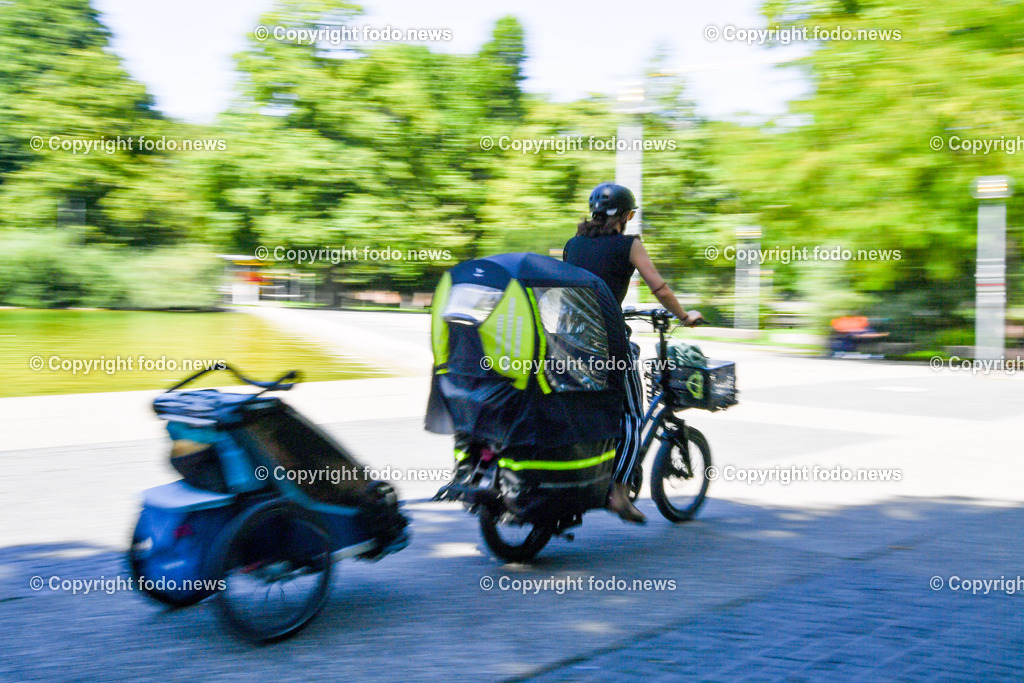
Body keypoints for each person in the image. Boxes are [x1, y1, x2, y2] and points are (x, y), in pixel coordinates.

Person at [564, 182, 703, 524]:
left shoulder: (572, 244)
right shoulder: (630, 244)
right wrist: (685, 316)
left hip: (567, 342)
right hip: (607, 344)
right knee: (631, 416)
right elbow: (659, 286)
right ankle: (619, 492)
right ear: (626, 216)